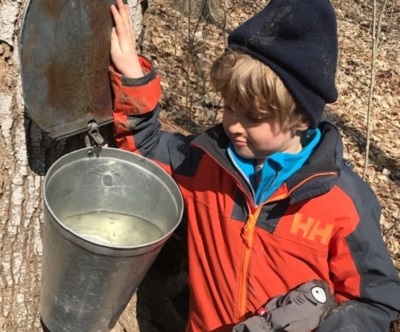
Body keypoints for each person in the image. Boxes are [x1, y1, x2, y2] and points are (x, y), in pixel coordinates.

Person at [109, 0, 400, 331]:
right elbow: (143, 152)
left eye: (254, 117)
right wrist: (132, 75)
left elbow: (376, 302)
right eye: (230, 108)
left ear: (301, 118)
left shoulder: (343, 203)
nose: (233, 125)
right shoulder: (204, 163)